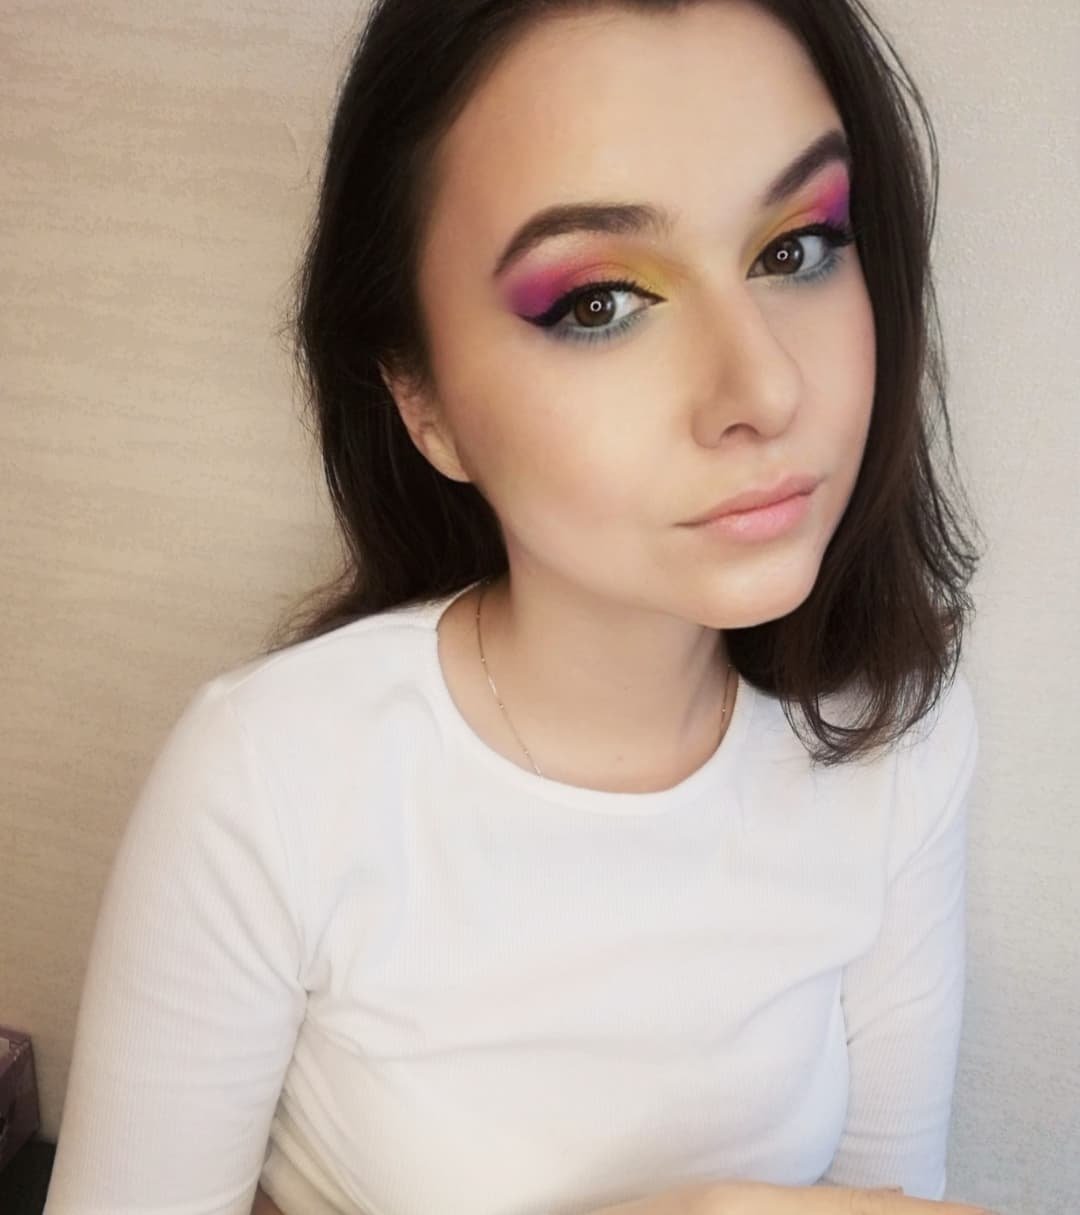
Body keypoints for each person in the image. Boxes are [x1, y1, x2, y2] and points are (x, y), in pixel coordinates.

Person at [43, 0, 994, 1213]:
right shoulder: (276, 778)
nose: (764, 387)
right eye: (600, 303)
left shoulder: (896, 739)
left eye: (795, 248)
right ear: (423, 400)